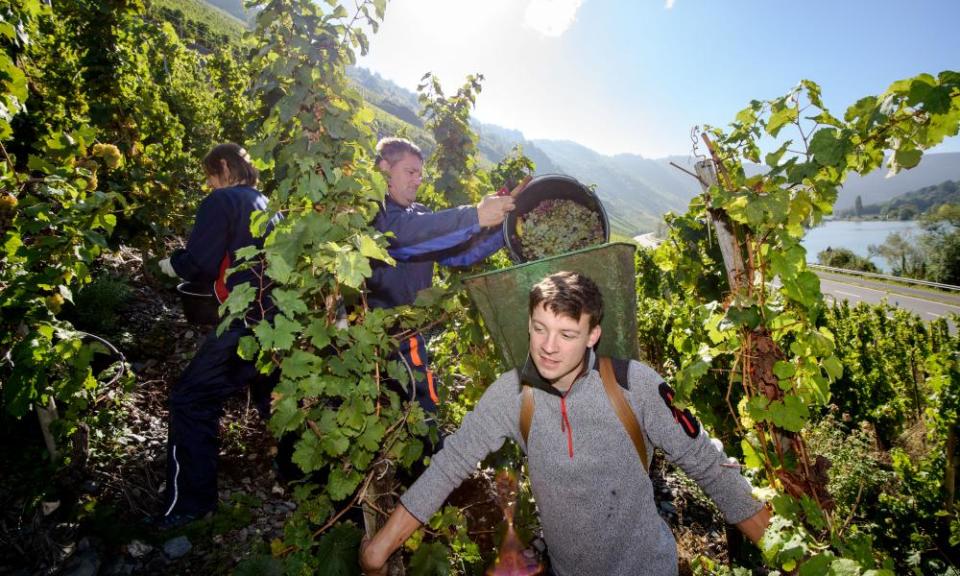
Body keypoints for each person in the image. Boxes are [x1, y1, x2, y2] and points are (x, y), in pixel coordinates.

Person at [360, 271, 771, 576]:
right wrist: (379, 549)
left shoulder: (634, 386)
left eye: (567, 334)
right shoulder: (512, 395)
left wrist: (788, 554)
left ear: (593, 335)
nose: (548, 347)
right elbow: (450, 466)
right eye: (539, 328)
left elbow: (707, 464)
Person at [156, 143, 282, 528]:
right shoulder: (268, 204)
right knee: (272, 394)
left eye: (210, 176)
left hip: (242, 320)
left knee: (189, 399)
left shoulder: (222, 201)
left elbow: (200, 262)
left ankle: (192, 506)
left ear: (224, 167)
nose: (210, 185)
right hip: (273, 318)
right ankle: (302, 477)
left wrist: (170, 265)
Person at [369, 137, 516, 416]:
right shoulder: (374, 212)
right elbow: (403, 238)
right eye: (410, 172)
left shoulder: (419, 213)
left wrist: (504, 231)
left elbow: (457, 254)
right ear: (384, 168)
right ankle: (431, 457)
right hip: (385, 333)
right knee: (421, 409)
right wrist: (475, 215)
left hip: (410, 332)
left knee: (408, 410)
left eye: (420, 174)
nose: (418, 180)